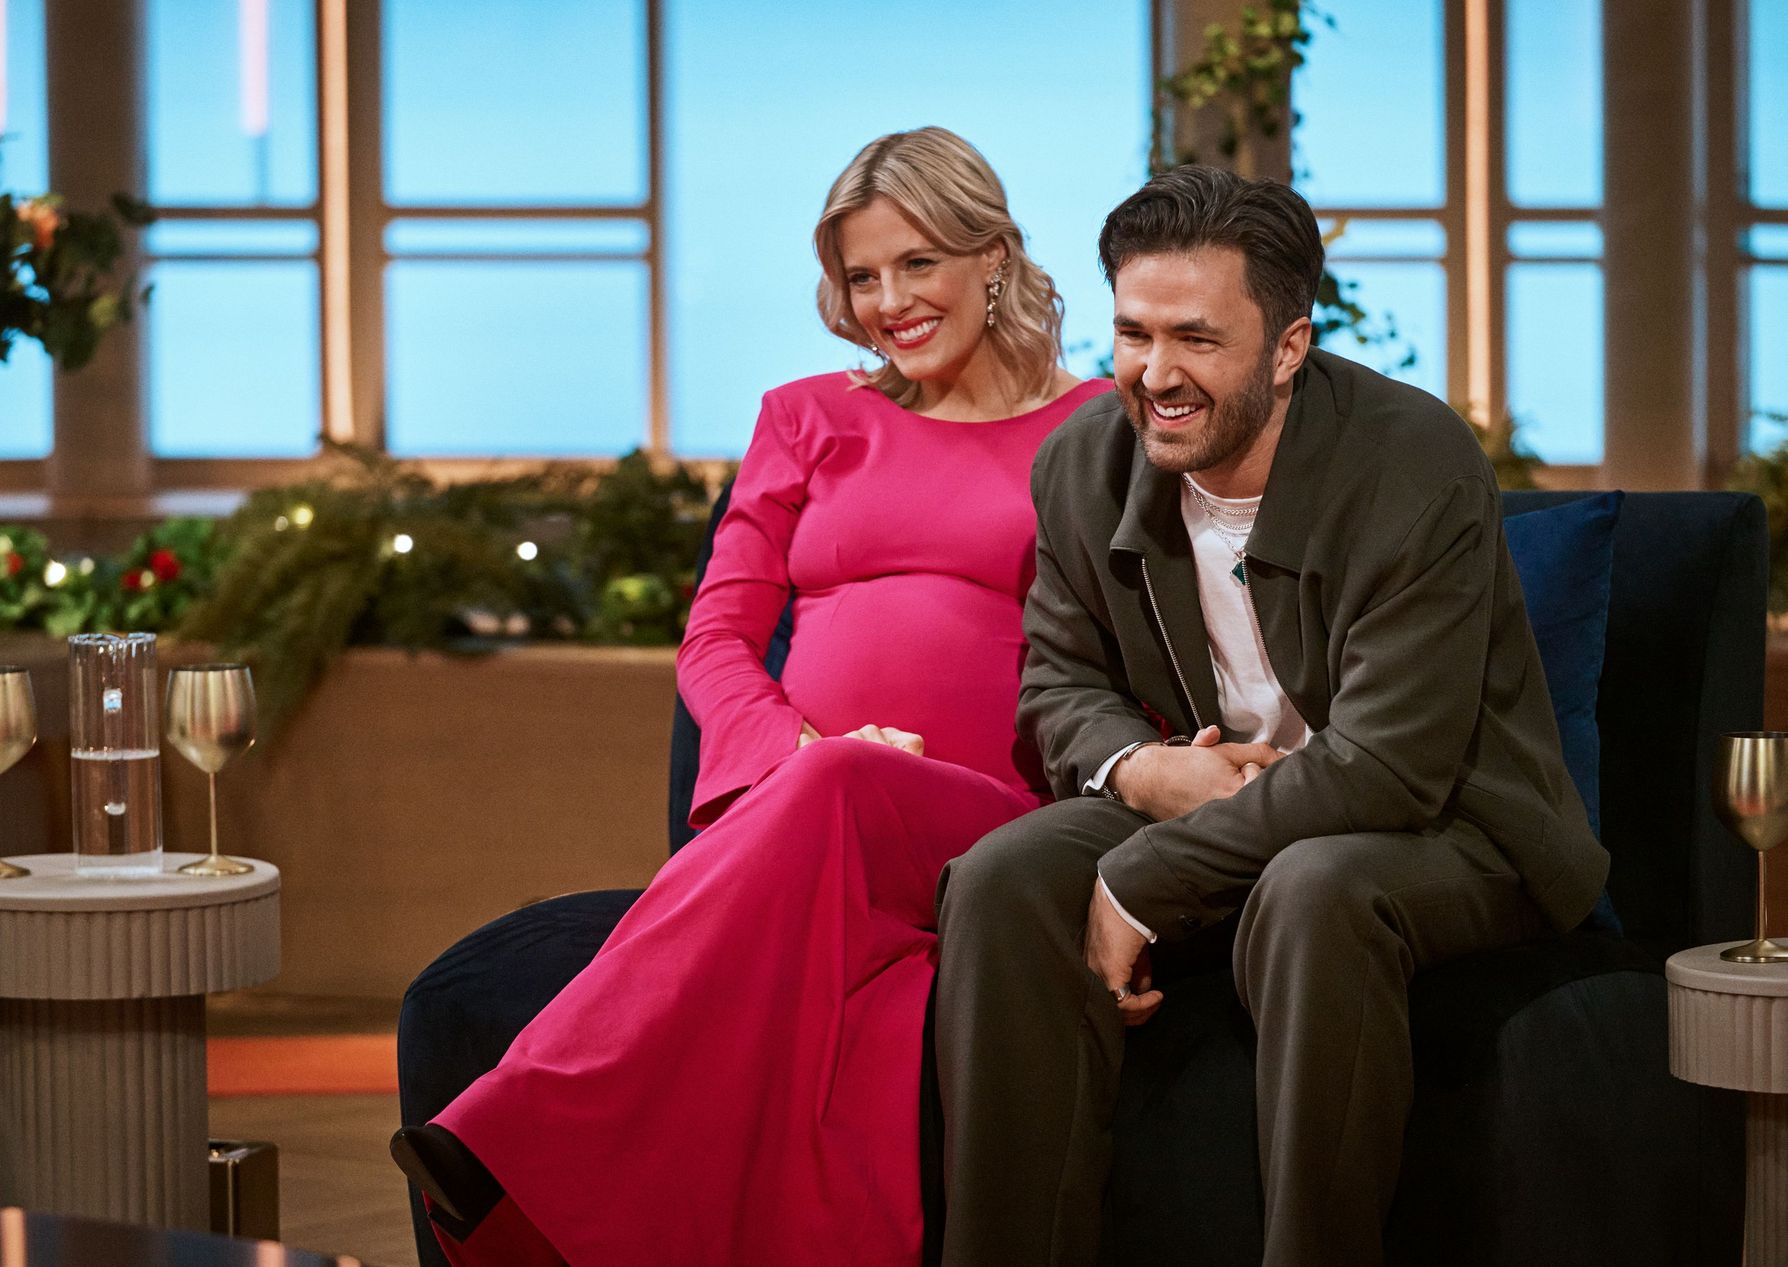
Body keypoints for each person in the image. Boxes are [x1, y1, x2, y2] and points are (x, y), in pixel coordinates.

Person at [390, 126, 1111, 1266]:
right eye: (862, 276)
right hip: (805, 803)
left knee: (845, 780)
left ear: (993, 256)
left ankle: (517, 1133)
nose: (889, 302)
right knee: (836, 781)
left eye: (918, 262)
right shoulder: (806, 416)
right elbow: (718, 636)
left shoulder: (1097, 429)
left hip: (990, 822)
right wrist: (797, 753)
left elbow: (1132, 656)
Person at [931, 166, 1610, 1267]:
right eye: (1134, 334)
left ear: (1289, 347)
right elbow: (1057, 686)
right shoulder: (1083, 464)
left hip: (1449, 825)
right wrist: (1145, 774)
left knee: (1313, 885)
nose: (1156, 374)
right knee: (1003, 876)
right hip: (1224, 803)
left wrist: (1144, 875)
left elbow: (1391, 766)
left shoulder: (1412, 460)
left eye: (1196, 339)